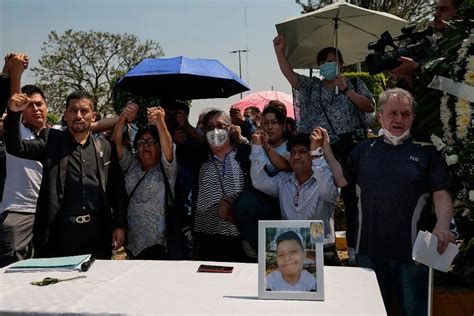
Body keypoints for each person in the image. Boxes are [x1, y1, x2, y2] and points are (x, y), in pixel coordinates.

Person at [326, 88, 454, 315]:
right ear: (380, 116)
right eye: (393, 112)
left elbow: (441, 194)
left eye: (406, 114)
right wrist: (325, 149)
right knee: (372, 311)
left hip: (413, 253)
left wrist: (443, 225)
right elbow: (341, 179)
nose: (399, 119)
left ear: (413, 118)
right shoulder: (363, 150)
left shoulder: (427, 152)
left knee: (414, 311)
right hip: (368, 251)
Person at [4, 90, 127, 259]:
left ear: (93, 115)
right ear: (66, 115)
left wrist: (119, 225)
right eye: (73, 110)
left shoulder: (104, 147)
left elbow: (117, 189)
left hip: (97, 233)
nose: (78, 115)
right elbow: (16, 147)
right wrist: (13, 113)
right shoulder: (52, 140)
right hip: (60, 235)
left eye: (84, 111)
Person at [250, 129, 340, 263]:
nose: (296, 157)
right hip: (289, 252)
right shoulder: (283, 180)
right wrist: (257, 147)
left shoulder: (326, 180)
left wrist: (317, 153)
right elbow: (259, 181)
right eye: (292, 152)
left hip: (322, 252)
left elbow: (329, 193)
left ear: (313, 155)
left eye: (303, 152)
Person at [177, 109, 255, 262]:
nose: (216, 131)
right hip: (206, 237)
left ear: (230, 128)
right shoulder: (198, 156)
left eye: (220, 125)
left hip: (239, 235)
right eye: (210, 127)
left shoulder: (246, 154)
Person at [112, 102, 177, 259]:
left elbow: (168, 147)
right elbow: (115, 143)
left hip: (158, 243)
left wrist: (160, 122)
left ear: (159, 147)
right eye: (141, 142)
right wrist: (123, 117)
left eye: (151, 142)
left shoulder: (166, 168)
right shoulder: (132, 164)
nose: (146, 145)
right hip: (132, 242)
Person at [0, 85, 47, 266]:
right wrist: (17, 72)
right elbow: (14, 101)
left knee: (47, 266)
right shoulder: (16, 131)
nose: (35, 109)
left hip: (48, 212)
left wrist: (123, 117)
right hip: (18, 210)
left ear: (46, 106)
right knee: (11, 269)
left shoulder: (58, 133)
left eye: (39, 104)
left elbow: (93, 125)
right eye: (29, 105)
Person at [258, 105, 291, 176]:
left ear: (283, 126)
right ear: (261, 126)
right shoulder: (257, 148)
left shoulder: (292, 147)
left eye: (274, 122)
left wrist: (267, 147)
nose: (269, 127)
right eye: (266, 123)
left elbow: (285, 166)